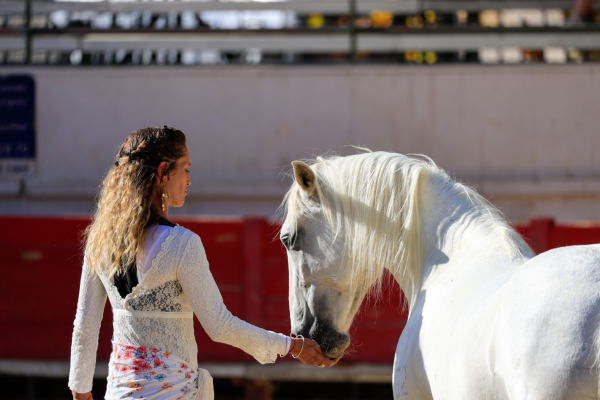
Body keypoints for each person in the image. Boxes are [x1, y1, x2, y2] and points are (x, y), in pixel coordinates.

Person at [69, 126, 337, 400]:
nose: (188, 180)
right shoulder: (182, 244)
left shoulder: (99, 243)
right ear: (164, 173)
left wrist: (81, 392)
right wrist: (292, 346)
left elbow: (85, 327)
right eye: (185, 169)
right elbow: (220, 326)